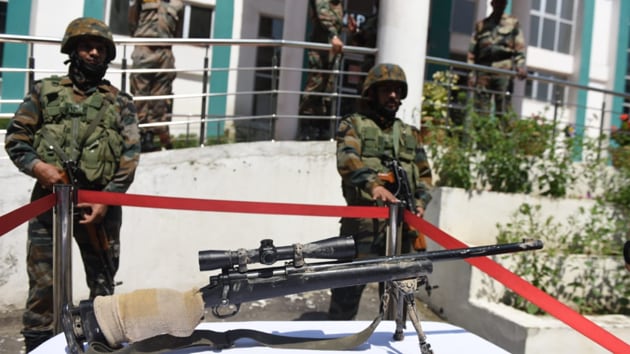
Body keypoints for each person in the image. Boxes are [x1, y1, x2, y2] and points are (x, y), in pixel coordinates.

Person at [4, 17, 140, 352]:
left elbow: (130, 156)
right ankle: (37, 346)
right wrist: (39, 168)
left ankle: (101, 343)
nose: (94, 53)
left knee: (102, 282)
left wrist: (106, 199)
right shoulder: (45, 93)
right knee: (43, 284)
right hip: (48, 203)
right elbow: (17, 137)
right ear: (72, 50)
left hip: (100, 208)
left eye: (101, 49)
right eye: (86, 46)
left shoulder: (121, 103)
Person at [328, 63, 433, 320]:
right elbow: (347, 158)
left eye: (397, 90)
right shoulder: (353, 124)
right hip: (363, 228)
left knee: (399, 303)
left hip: (402, 231)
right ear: (372, 93)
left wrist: (419, 202)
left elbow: (425, 175)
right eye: (386, 89)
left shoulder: (410, 134)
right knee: (346, 295)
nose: (393, 96)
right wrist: (373, 185)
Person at [128, 0, 184, 152]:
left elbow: (177, 30)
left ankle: (152, 134)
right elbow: (132, 19)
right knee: (140, 94)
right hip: (145, 48)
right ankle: (141, 133)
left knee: (160, 97)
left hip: (165, 52)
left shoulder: (177, 3)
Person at [298, 0, 356, 140]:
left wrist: (349, 29)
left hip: (331, 54)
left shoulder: (339, 4)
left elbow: (336, 24)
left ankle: (320, 127)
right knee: (315, 87)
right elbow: (323, 16)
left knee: (328, 91)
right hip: (320, 51)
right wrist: (334, 36)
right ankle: (306, 127)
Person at [467, 0, 527, 119]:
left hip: (503, 69)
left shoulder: (512, 23)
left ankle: (502, 136)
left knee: (503, 109)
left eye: (503, 3)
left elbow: (519, 47)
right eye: (498, 2)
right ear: (492, 4)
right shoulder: (481, 25)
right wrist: (471, 73)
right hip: (483, 70)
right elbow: (472, 52)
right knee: (480, 110)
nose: (500, 5)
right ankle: (481, 136)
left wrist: (520, 65)